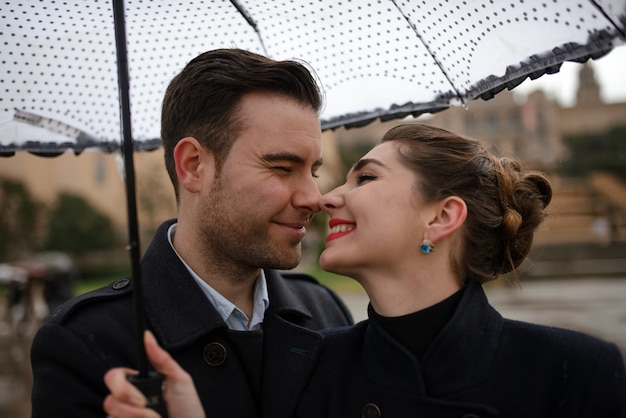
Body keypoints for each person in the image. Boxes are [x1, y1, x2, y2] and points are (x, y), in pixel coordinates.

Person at [103, 123, 626, 417]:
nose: (326, 197)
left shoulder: (577, 373)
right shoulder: (300, 368)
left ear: (442, 216)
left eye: (366, 178)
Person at [30, 48, 353, 418]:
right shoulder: (86, 344)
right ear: (193, 165)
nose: (314, 198)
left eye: (312, 171)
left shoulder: (326, 312)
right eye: (282, 168)